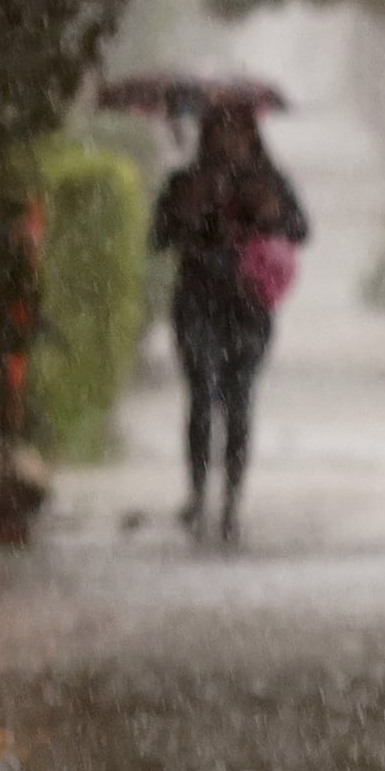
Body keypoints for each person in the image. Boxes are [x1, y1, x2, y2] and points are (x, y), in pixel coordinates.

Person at [152, 101, 308, 543]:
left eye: (236, 130)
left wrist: (269, 212)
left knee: (238, 402)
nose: (227, 139)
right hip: (197, 303)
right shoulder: (186, 181)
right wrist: (186, 213)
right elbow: (159, 236)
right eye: (218, 129)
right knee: (201, 396)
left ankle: (232, 502)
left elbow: (299, 228)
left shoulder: (268, 181)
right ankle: (198, 494)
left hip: (248, 311)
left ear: (251, 134)